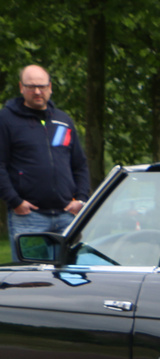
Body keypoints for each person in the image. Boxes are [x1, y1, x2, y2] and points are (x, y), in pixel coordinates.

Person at [0, 65, 89, 260]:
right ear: (21, 87)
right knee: (32, 280)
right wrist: (15, 201)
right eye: (31, 86)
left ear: (50, 87)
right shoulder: (6, 120)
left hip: (67, 216)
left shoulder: (63, 121)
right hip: (29, 217)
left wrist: (81, 199)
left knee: (70, 275)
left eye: (42, 86)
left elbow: (79, 165)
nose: (37, 91)